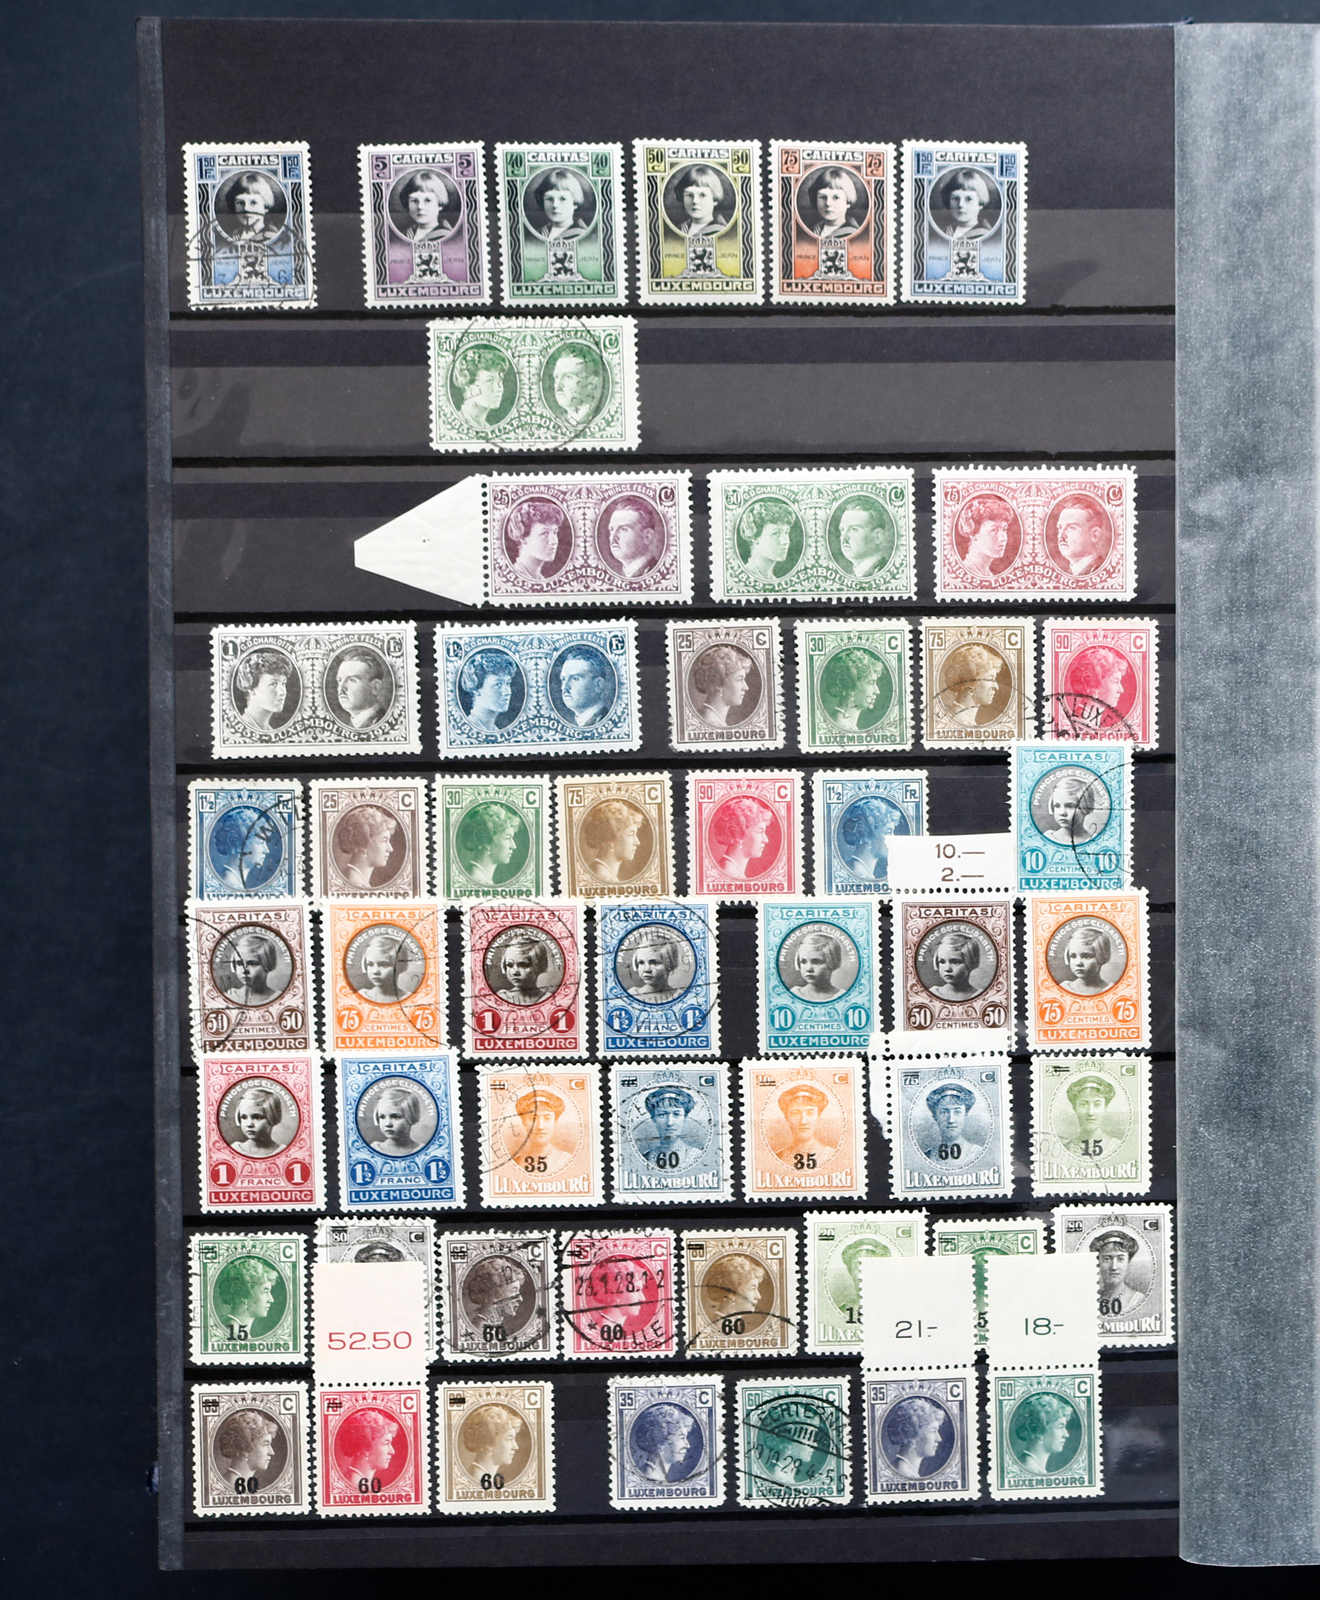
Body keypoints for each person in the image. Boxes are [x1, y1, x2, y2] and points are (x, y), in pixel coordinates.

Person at [837, 796, 907, 884]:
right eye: (888, 831)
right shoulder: (859, 873)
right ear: (867, 835)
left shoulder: (863, 872)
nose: (894, 838)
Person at [210, 807, 278, 892]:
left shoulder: (236, 883)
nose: (267, 850)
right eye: (260, 842)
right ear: (239, 845)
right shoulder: (230, 883)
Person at [633, 1085, 703, 1168]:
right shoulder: (645, 1158)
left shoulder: (697, 1156)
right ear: (653, 1119)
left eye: (676, 1114)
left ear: (685, 1118)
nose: (670, 1122)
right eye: (662, 1114)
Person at [456, 801, 522, 888]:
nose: (513, 846)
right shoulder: (477, 879)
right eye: (507, 838)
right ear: (487, 842)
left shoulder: (483, 878)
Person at [333, 805, 400, 890]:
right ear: (363, 843)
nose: (390, 849)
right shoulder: (355, 883)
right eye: (384, 840)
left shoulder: (359, 880)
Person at [939, 642, 1004, 728]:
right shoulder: (959, 721)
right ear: (970, 683)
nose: (996, 687)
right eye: (990, 678)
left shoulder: (965, 721)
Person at [708, 796, 774, 881]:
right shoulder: (728, 872)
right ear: (739, 834)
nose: (766, 840)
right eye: (760, 831)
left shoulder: (735, 871)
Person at [820, 648, 885, 733]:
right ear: (850, 685)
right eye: (870, 682)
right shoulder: (841, 725)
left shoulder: (848, 725)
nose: (877, 691)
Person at [580, 799, 645, 883]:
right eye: (631, 834)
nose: (637, 842)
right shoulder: (604, 877)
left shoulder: (601, 873)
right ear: (610, 840)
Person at [631, 1403, 698, 1483]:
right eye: (682, 1438)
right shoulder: (651, 1476)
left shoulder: (657, 1476)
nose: (688, 1445)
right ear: (661, 1442)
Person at [1009, 1392, 1074, 1475]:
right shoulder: (1030, 1468)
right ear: (1039, 1430)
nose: (1066, 1434)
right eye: (1060, 1426)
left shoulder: (1034, 1468)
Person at [690, 644, 753, 728]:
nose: (746, 687)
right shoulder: (712, 723)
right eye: (739, 679)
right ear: (718, 683)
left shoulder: (708, 717)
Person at [772, 1081, 834, 1166]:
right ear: (787, 1118)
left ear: (818, 1116)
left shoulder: (831, 1155)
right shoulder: (778, 1157)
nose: (803, 1121)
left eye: (810, 1112)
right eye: (795, 1113)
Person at [885, 1397, 946, 1481]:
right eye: (933, 1431)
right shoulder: (904, 1473)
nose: (939, 1439)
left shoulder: (907, 1470)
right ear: (913, 1435)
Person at [213, 1254, 279, 1333]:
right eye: (265, 1291)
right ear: (245, 1294)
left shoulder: (237, 1329)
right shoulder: (233, 1331)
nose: (271, 1299)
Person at [603, 497, 664, 580]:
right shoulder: (623, 574)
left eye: (623, 529)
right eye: (611, 529)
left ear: (647, 536)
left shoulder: (656, 571)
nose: (613, 537)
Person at [463, 1254, 528, 1332]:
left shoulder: (494, 1326)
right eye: (514, 1290)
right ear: (495, 1294)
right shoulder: (479, 1329)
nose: (520, 1298)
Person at [505, 499, 565, 581]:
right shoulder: (515, 577)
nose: (554, 541)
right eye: (544, 533)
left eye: (555, 532)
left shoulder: (539, 579)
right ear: (523, 538)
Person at [460, 1404, 525, 1480]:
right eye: (509, 1439)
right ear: (488, 1443)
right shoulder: (478, 1479)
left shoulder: (484, 1477)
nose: (516, 1447)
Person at [459, 650, 518, 733]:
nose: (508, 692)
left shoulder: (494, 730)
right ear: (476, 689)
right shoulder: (468, 730)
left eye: (508, 683)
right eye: (498, 684)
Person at [956, 495, 1014, 579]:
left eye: (1004, 529)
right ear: (974, 536)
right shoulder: (966, 572)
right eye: (993, 530)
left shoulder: (988, 575)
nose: (1003, 538)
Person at [214, 1409, 279, 1484]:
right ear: (245, 1447)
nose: (272, 1452)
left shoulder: (243, 1482)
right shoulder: (232, 1484)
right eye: (265, 1444)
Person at [335, 1408, 399, 1482]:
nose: (392, 1451)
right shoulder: (355, 1483)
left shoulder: (360, 1481)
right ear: (366, 1448)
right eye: (386, 1443)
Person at [834, 1234, 891, 1319]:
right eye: (857, 1267)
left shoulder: (892, 1309)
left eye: (870, 1267)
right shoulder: (842, 1311)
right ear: (850, 1272)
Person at [835, 497, 893, 579]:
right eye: (842, 530)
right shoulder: (856, 575)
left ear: (878, 536)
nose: (844, 537)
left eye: (854, 529)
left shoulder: (884, 572)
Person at [738, 501, 798, 581]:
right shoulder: (746, 578)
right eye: (775, 533)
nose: (785, 541)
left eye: (786, 532)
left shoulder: (772, 579)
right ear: (755, 539)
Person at [700, 1252, 768, 1323]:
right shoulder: (720, 1326)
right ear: (731, 1293)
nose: (759, 1296)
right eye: (752, 1288)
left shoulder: (732, 1324)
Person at [1053, 495, 1111, 577]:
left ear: (1095, 535)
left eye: (1071, 528)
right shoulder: (1069, 573)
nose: (1061, 536)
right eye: (1060, 528)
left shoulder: (1102, 570)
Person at [621, 933, 687, 1004]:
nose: (646, 969)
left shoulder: (680, 995)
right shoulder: (632, 994)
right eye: (641, 962)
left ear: (669, 965)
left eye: (654, 963)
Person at [453, 348, 510, 429]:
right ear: (469, 387)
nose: (499, 387)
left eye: (500, 380)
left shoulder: (486, 427)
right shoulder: (459, 423)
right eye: (489, 380)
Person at [354, 931, 419, 1003]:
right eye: (370, 964)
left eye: (383, 965)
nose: (375, 971)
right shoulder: (361, 996)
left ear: (401, 967)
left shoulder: (411, 998)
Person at [235, 650, 292, 732]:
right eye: (273, 684)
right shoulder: (243, 729)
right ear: (252, 690)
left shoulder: (268, 730)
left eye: (283, 683)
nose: (282, 692)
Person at [394, 168, 458, 242]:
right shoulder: (406, 234)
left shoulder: (445, 235)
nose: (420, 207)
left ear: (440, 205)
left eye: (427, 200)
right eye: (414, 201)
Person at [923, 929, 985, 1003]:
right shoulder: (933, 993)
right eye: (942, 962)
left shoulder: (981, 995)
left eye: (955, 962)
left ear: (971, 963)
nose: (947, 969)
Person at [529, 166, 591, 240]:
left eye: (562, 199)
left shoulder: (583, 235)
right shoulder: (538, 233)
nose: (555, 205)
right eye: (549, 199)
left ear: (575, 203)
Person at [1061, 1074, 1117, 1156]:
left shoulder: (1115, 1146)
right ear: (1074, 1108)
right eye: (1083, 1104)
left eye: (1097, 1104)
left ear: (1105, 1107)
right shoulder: (1065, 1149)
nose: (1090, 1112)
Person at [220, 931, 282, 1004]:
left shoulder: (278, 998)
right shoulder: (230, 996)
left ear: (268, 965)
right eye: (239, 963)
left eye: (252, 963)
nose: (244, 970)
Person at [1091, 1229, 1144, 1313]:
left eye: (1120, 1259)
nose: (1114, 1267)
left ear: (1128, 1262)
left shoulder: (1138, 1300)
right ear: (1098, 1262)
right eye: (1107, 1259)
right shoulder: (1090, 1297)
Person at [803, 165, 865, 237]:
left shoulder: (853, 233)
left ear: (847, 202)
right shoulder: (813, 230)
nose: (828, 203)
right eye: (823, 197)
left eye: (836, 198)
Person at [556, 648, 613, 727]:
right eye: (563, 679)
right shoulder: (578, 723)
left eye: (575, 678)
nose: (564, 687)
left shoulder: (604, 720)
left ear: (598, 685)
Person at [548, 346, 604, 427]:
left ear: (591, 383)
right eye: (556, 377)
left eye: (568, 377)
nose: (558, 384)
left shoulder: (594, 417)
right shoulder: (564, 420)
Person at [1039, 774, 1099, 847]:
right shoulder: (1049, 838)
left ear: (1086, 807)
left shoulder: (1094, 839)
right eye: (1057, 806)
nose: (1062, 813)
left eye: (1070, 806)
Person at [511, 1086, 566, 1167]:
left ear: (555, 1121)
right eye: (533, 1118)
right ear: (523, 1122)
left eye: (547, 1118)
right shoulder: (515, 1162)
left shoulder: (565, 1160)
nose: (540, 1126)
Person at [221, 172, 283, 243]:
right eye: (240, 203)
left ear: (265, 207)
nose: (246, 208)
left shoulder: (273, 237)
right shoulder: (231, 236)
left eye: (253, 203)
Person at [227, 1084, 287, 1158]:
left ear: (273, 1118)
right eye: (244, 1117)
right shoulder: (234, 1149)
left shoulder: (283, 1151)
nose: (249, 1124)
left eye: (257, 1117)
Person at [921, 1082, 976, 1161]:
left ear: (965, 1115)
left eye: (957, 1112)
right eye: (944, 1112)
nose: (951, 1120)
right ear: (935, 1117)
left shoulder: (976, 1153)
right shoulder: (927, 1156)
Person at [493, 935, 552, 1006]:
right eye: (510, 965)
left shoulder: (548, 998)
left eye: (523, 965)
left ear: (539, 966)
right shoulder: (503, 997)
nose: (515, 972)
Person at [786, 930, 844, 1002]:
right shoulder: (794, 994)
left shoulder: (842, 995)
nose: (809, 969)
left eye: (816, 962)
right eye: (803, 962)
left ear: (832, 962)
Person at [938, 167, 994, 240]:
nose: (960, 204)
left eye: (968, 199)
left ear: (980, 204)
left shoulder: (986, 235)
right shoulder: (945, 232)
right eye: (955, 198)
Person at [368, 1086, 424, 1157]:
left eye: (395, 1117)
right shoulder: (374, 1148)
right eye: (382, 1117)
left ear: (411, 1117)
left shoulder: (422, 1149)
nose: (388, 1124)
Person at [1059, 925, 1115, 995]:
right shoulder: (1064, 988)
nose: (1078, 963)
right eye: (1073, 956)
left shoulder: (1112, 989)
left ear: (1102, 957)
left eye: (1086, 956)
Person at [676, 164, 730, 235]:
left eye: (702, 195)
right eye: (689, 195)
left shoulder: (721, 231)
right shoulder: (679, 229)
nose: (695, 201)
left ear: (714, 200)